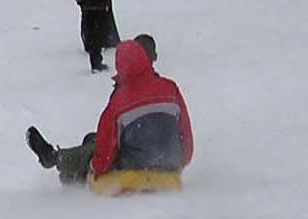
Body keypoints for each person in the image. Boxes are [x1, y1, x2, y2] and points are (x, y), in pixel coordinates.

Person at [26, 36, 194, 186]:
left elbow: (105, 153)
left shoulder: (120, 102)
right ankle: (62, 166)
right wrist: (181, 160)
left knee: (93, 148)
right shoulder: (170, 88)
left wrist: (94, 167)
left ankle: (57, 160)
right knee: (93, 140)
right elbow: (185, 131)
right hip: (171, 164)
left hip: (134, 165)